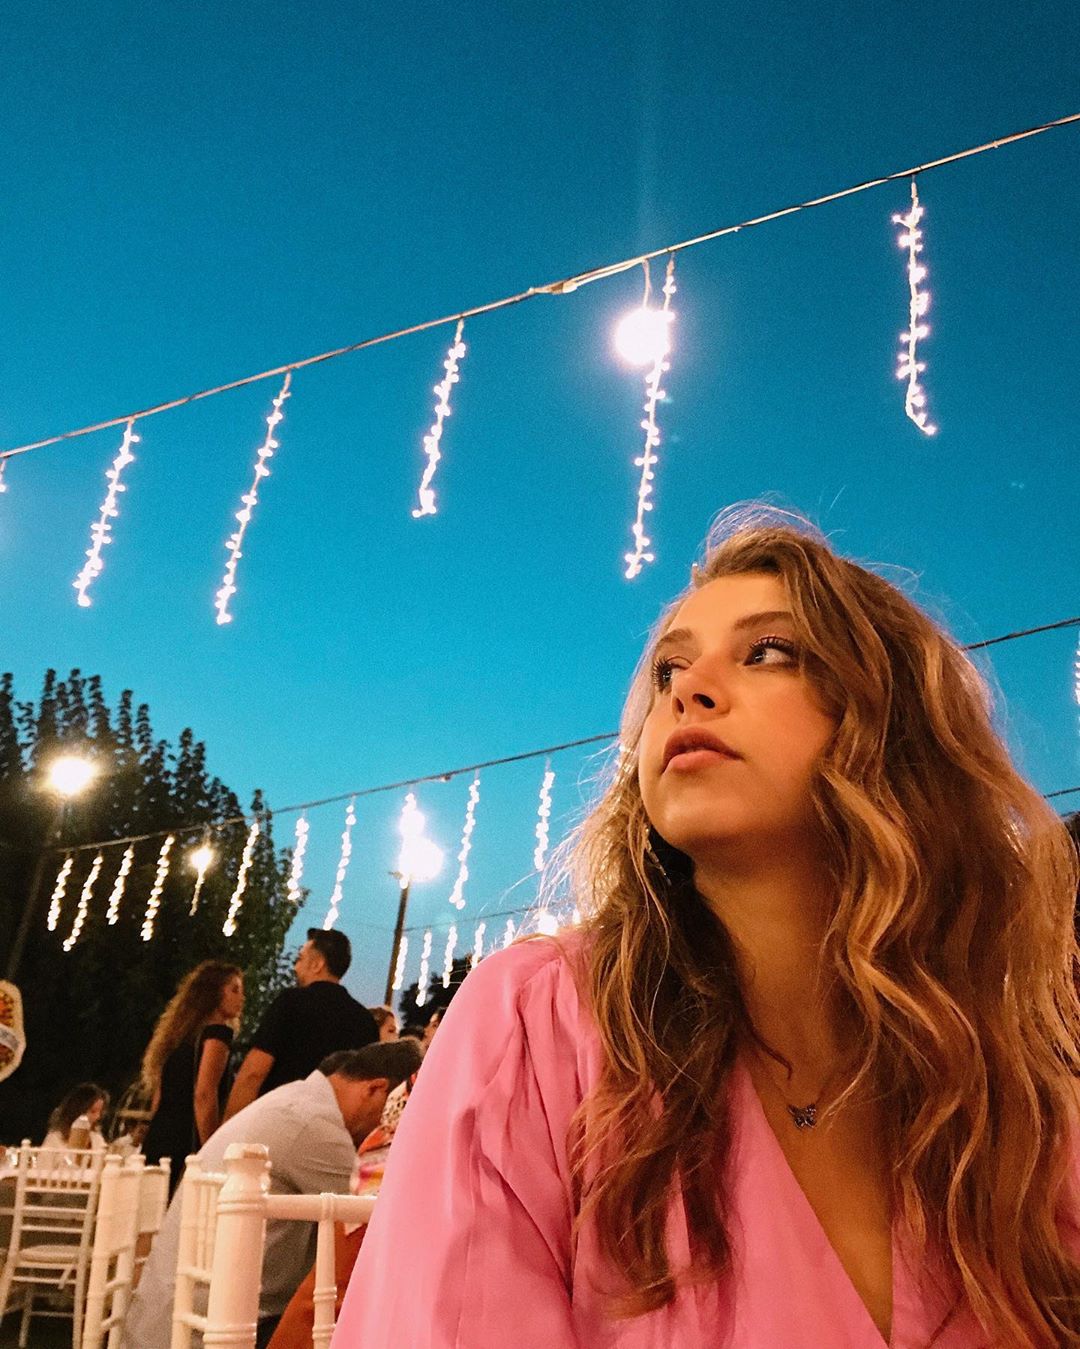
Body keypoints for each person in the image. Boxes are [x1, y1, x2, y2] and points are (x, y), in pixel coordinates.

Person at [333, 507, 1080, 1348]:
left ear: (891, 722)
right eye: (669, 670)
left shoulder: (1008, 1100)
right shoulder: (538, 1025)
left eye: (768, 651)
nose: (689, 689)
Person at [121, 1040, 421, 1349]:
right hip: (218, 1327)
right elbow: (386, 1225)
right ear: (376, 1089)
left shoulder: (296, 1102)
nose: (389, 1132)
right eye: (395, 1118)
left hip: (176, 1320)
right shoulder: (314, 1126)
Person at [224, 929, 378, 1120]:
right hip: (328, 1127)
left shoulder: (291, 1002)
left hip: (275, 1120)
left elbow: (253, 1073)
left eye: (300, 959)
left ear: (317, 964)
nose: (296, 967)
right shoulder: (365, 1021)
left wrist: (228, 1128)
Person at [140, 960, 244, 1195]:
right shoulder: (218, 1035)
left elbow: (159, 1097)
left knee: (153, 1208)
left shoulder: (177, 1040)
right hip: (186, 1141)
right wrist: (212, 1149)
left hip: (159, 1137)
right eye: (234, 989)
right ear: (214, 993)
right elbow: (204, 1094)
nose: (241, 998)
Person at [41, 1082, 108, 1158]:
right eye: (93, 1111)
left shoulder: (97, 1139)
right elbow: (43, 1164)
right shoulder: (55, 1139)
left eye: (100, 1112)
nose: (98, 1117)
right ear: (78, 1111)